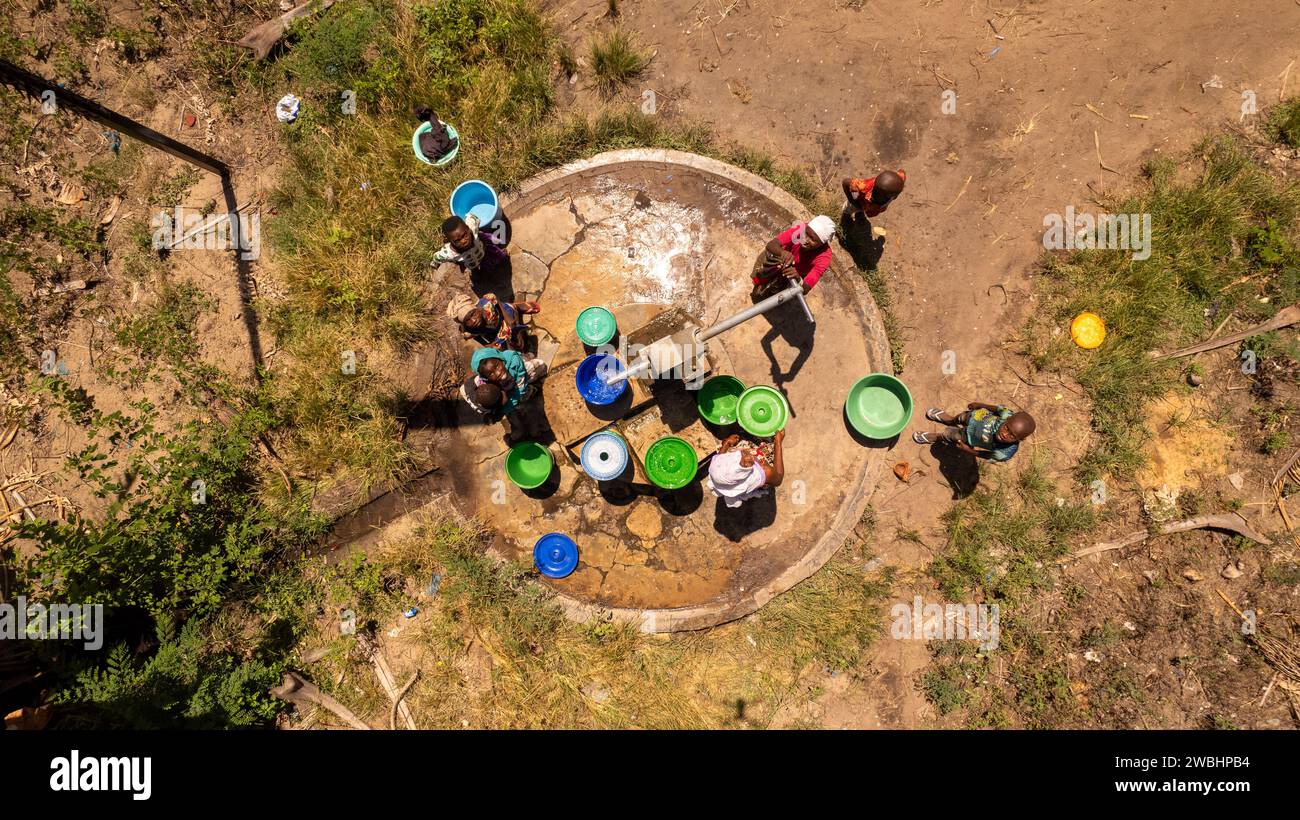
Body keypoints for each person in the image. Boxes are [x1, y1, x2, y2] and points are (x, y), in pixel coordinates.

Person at [912, 403, 1034, 462]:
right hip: (975, 417)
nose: (1005, 434)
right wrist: (979, 404)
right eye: (1006, 428)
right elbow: (996, 409)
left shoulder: (1006, 451)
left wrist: (969, 450)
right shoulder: (1007, 414)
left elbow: (988, 455)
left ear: (1019, 440)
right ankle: (949, 419)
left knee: (950, 436)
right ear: (1007, 419)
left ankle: (937, 437)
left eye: (1012, 436)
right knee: (960, 417)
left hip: (970, 437)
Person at [750, 215, 836, 299]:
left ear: (822, 243)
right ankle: (761, 279)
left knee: (764, 295)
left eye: (812, 239)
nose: (805, 240)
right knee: (772, 262)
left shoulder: (824, 257)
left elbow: (806, 288)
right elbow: (771, 245)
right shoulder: (801, 229)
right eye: (806, 233)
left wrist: (797, 278)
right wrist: (782, 252)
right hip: (781, 260)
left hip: (793, 274)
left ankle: (773, 287)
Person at [461, 346, 548, 419]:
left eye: (497, 366)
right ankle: (531, 389)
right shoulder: (486, 383)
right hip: (510, 387)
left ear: (501, 359)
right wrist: (508, 406)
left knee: (540, 365)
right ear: (486, 378)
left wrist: (516, 396)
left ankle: (527, 358)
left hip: (520, 372)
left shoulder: (514, 361)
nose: (498, 373)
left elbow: (520, 387)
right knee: (522, 396)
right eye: (491, 374)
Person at [706, 430, 786, 507]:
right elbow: (778, 479)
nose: (749, 457)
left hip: (736, 485)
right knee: (768, 453)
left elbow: (719, 456)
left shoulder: (717, 464)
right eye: (745, 464)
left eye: (742, 454)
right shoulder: (763, 472)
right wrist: (778, 443)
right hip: (762, 477)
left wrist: (727, 443)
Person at [446, 292, 540, 351]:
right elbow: (478, 338)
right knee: (512, 346)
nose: (473, 320)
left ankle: (516, 307)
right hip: (494, 331)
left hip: (504, 316)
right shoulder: (469, 330)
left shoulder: (487, 304)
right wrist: (488, 345)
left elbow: (495, 298)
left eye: (473, 314)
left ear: (477, 308)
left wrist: (508, 318)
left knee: (514, 332)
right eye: (468, 320)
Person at [433, 214, 507, 276]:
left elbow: (472, 217)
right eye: (457, 240)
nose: (463, 241)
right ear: (449, 241)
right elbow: (438, 257)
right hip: (471, 263)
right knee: (476, 272)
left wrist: (469, 216)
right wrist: (435, 263)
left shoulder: (473, 228)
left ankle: (502, 257)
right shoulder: (449, 253)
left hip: (483, 250)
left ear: (468, 229)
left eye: (464, 235)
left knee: (496, 254)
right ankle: (478, 274)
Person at [842, 170, 906, 223]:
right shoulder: (863, 186)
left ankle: (860, 213)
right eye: (895, 195)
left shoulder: (898, 182)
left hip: (869, 208)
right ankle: (846, 215)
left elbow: (902, 173)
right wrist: (852, 200)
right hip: (858, 202)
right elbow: (846, 182)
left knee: (861, 211)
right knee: (849, 209)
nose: (896, 196)